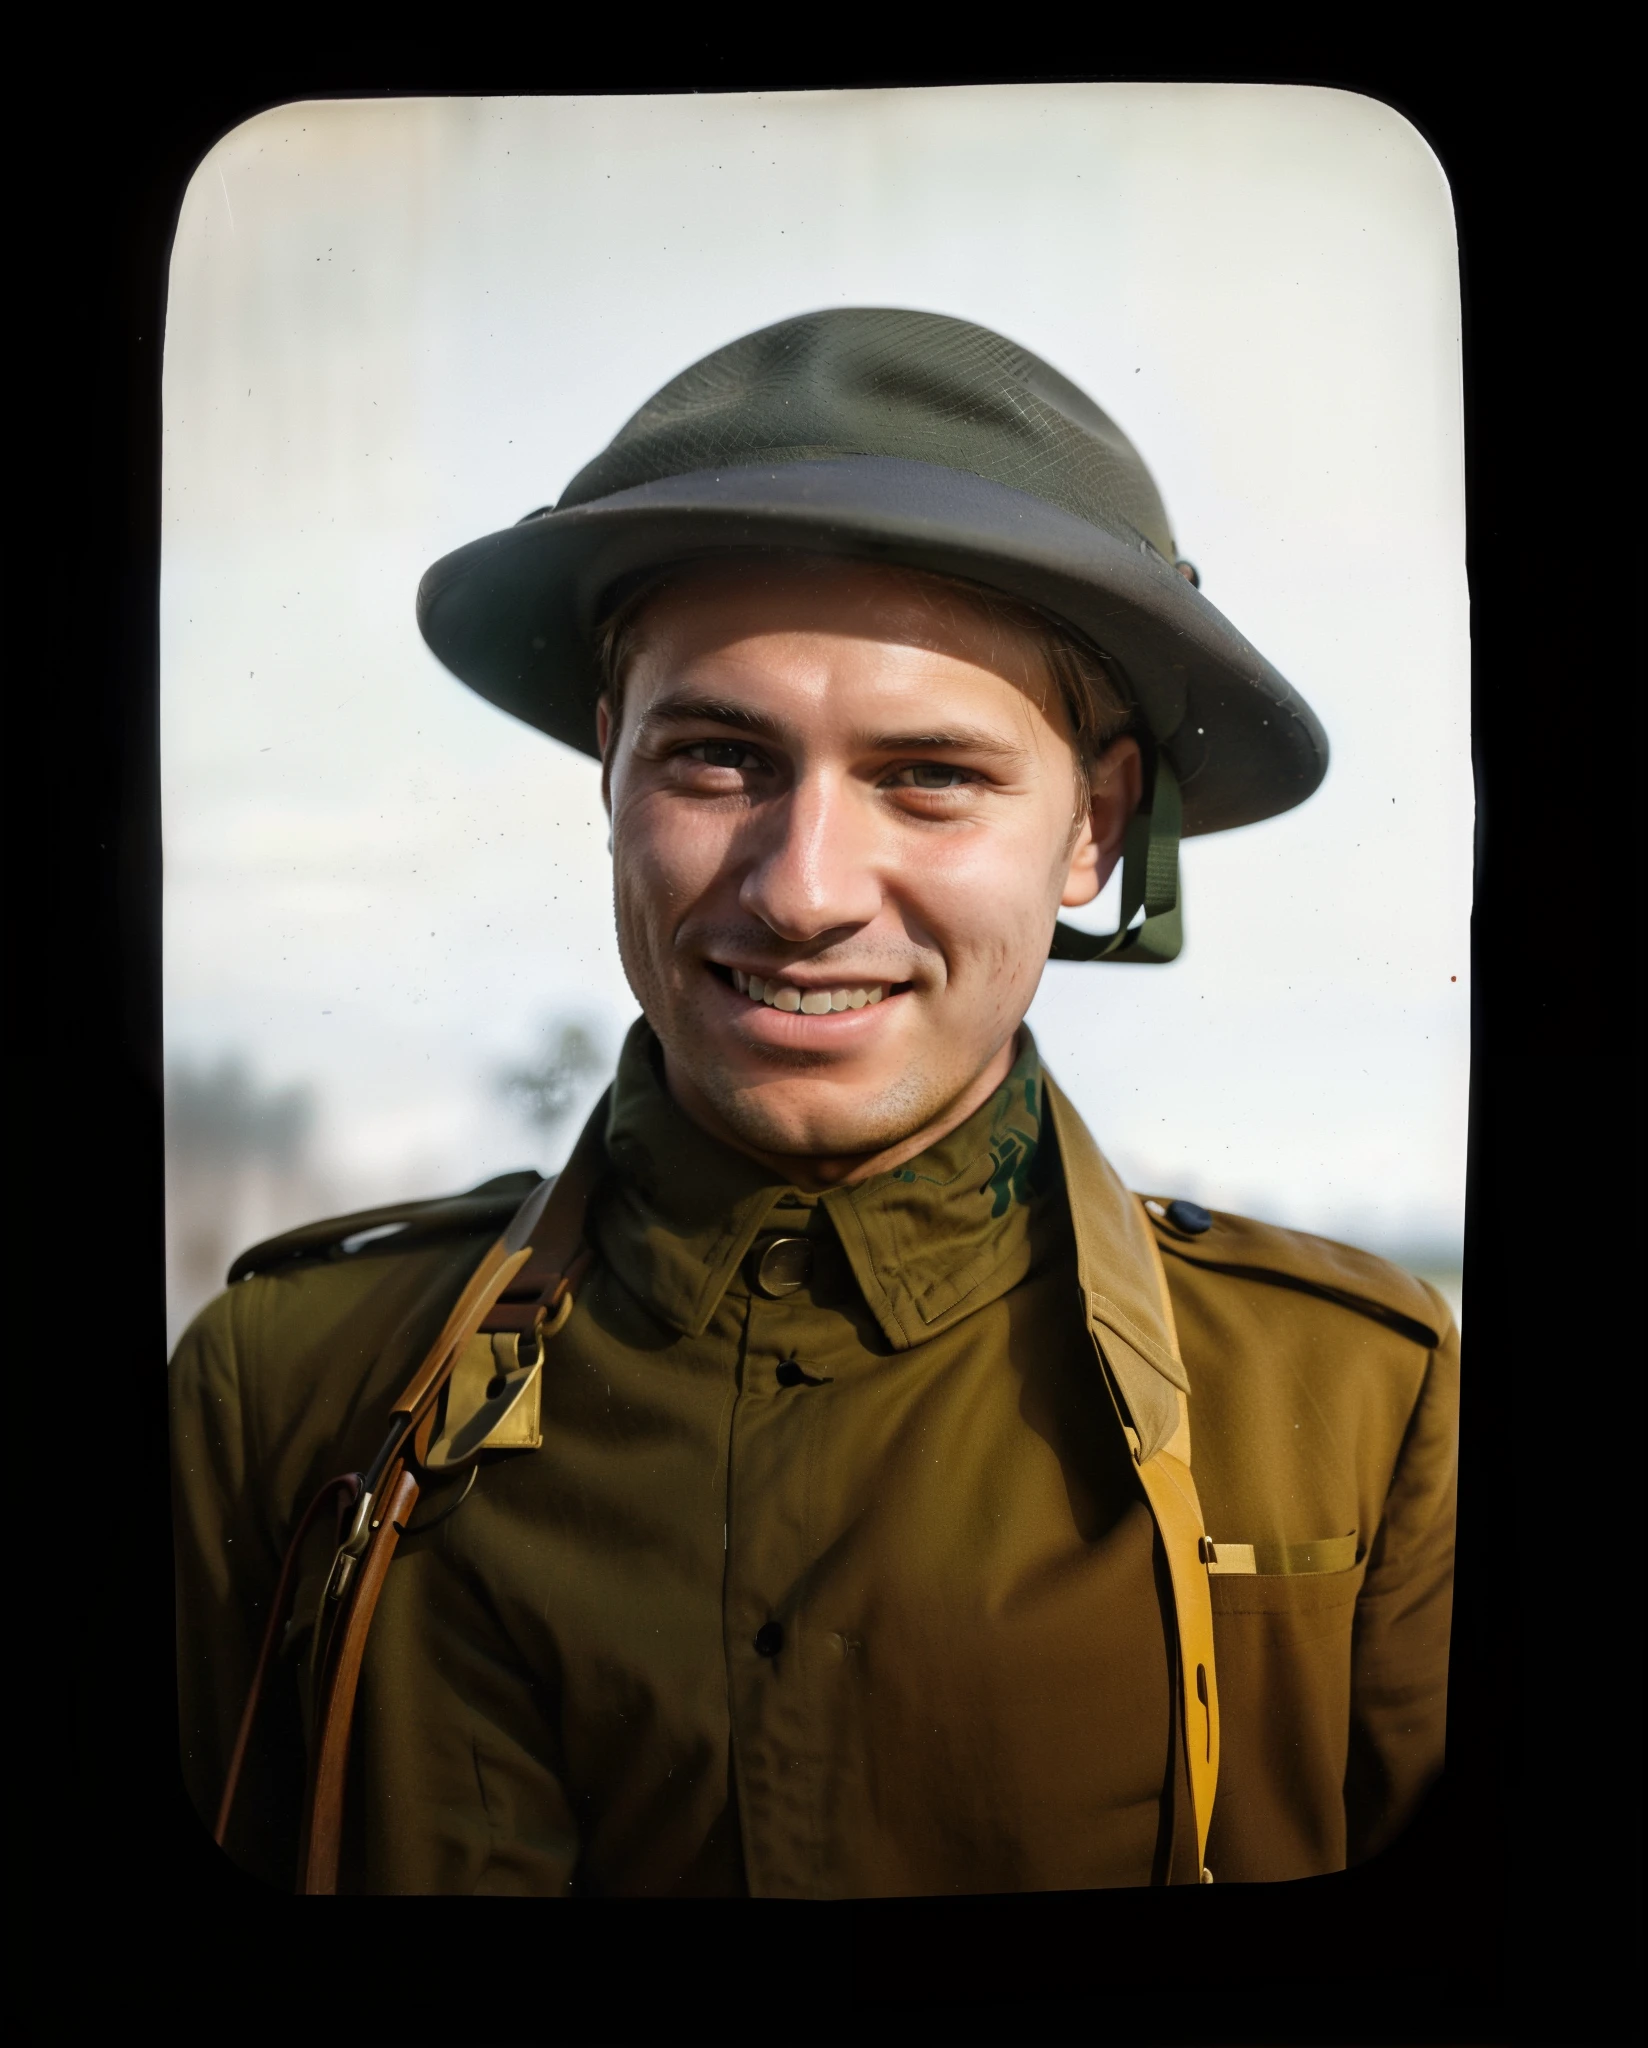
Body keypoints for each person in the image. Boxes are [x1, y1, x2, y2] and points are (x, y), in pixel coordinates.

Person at [170, 307, 1458, 1897]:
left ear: (1095, 832)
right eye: (718, 760)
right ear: (610, 772)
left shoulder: (1356, 1418)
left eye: (930, 777)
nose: (802, 892)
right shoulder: (289, 1392)